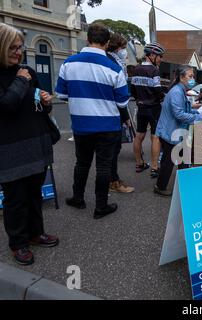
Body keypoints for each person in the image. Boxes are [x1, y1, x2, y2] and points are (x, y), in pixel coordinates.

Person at [56, 23, 129, 220]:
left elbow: (61, 94)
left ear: (87, 39)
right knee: (103, 167)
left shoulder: (68, 63)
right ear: (106, 43)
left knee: (82, 163)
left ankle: (77, 198)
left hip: (81, 125)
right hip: (108, 126)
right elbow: (123, 101)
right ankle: (101, 206)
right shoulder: (114, 68)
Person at [0, 23, 58, 265]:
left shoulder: (27, 71)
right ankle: (18, 243)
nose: (18, 52)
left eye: (20, 47)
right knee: (15, 198)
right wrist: (22, 81)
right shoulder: (20, 76)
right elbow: (6, 106)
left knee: (35, 193)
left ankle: (36, 233)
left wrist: (46, 101)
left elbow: (38, 104)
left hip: (36, 141)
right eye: (12, 48)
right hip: (10, 147)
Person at [154, 65, 202, 196]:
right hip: (171, 132)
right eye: (190, 76)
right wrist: (198, 117)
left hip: (176, 132)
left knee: (182, 157)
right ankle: (160, 186)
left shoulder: (180, 90)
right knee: (169, 161)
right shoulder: (177, 92)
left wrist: (198, 112)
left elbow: (185, 110)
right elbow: (179, 114)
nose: (193, 79)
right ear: (181, 77)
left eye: (193, 76)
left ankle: (185, 182)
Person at [131, 42, 166, 177]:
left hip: (141, 107)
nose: (160, 59)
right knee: (155, 137)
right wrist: (162, 97)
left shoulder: (136, 69)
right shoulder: (154, 70)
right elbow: (157, 89)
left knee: (139, 135)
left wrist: (139, 98)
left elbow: (132, 89)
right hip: (154, 108)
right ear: (151, 55)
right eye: (159, 56)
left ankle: (139, 163)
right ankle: (154, 167)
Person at [106, 33, 135, 194]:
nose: (124, 52)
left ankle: (112, 179)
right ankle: (113, 181)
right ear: (116, 47)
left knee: (107, 151)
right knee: (112, 149)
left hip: (109, 111)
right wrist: (125, 117)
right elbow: (119, 94)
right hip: (113, 113)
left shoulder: (112, 61)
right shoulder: (114, 64)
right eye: (123, 48)